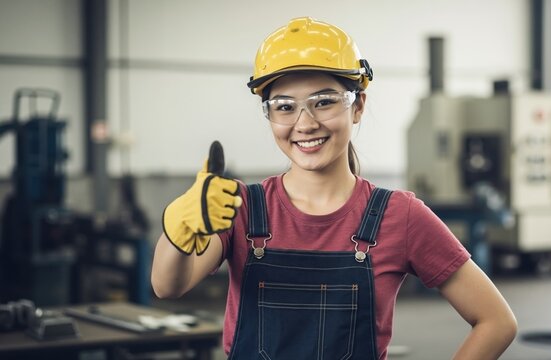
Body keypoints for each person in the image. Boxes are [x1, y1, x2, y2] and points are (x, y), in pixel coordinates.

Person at [151, 16, 517, 360]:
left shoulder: (399, 216)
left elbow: (497, 321)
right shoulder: (239, 207)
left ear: (357, 106)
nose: (304, 122)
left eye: (324, 102)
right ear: (269, 114)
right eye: (284, 106)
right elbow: (167, 286)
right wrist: (178, 230)